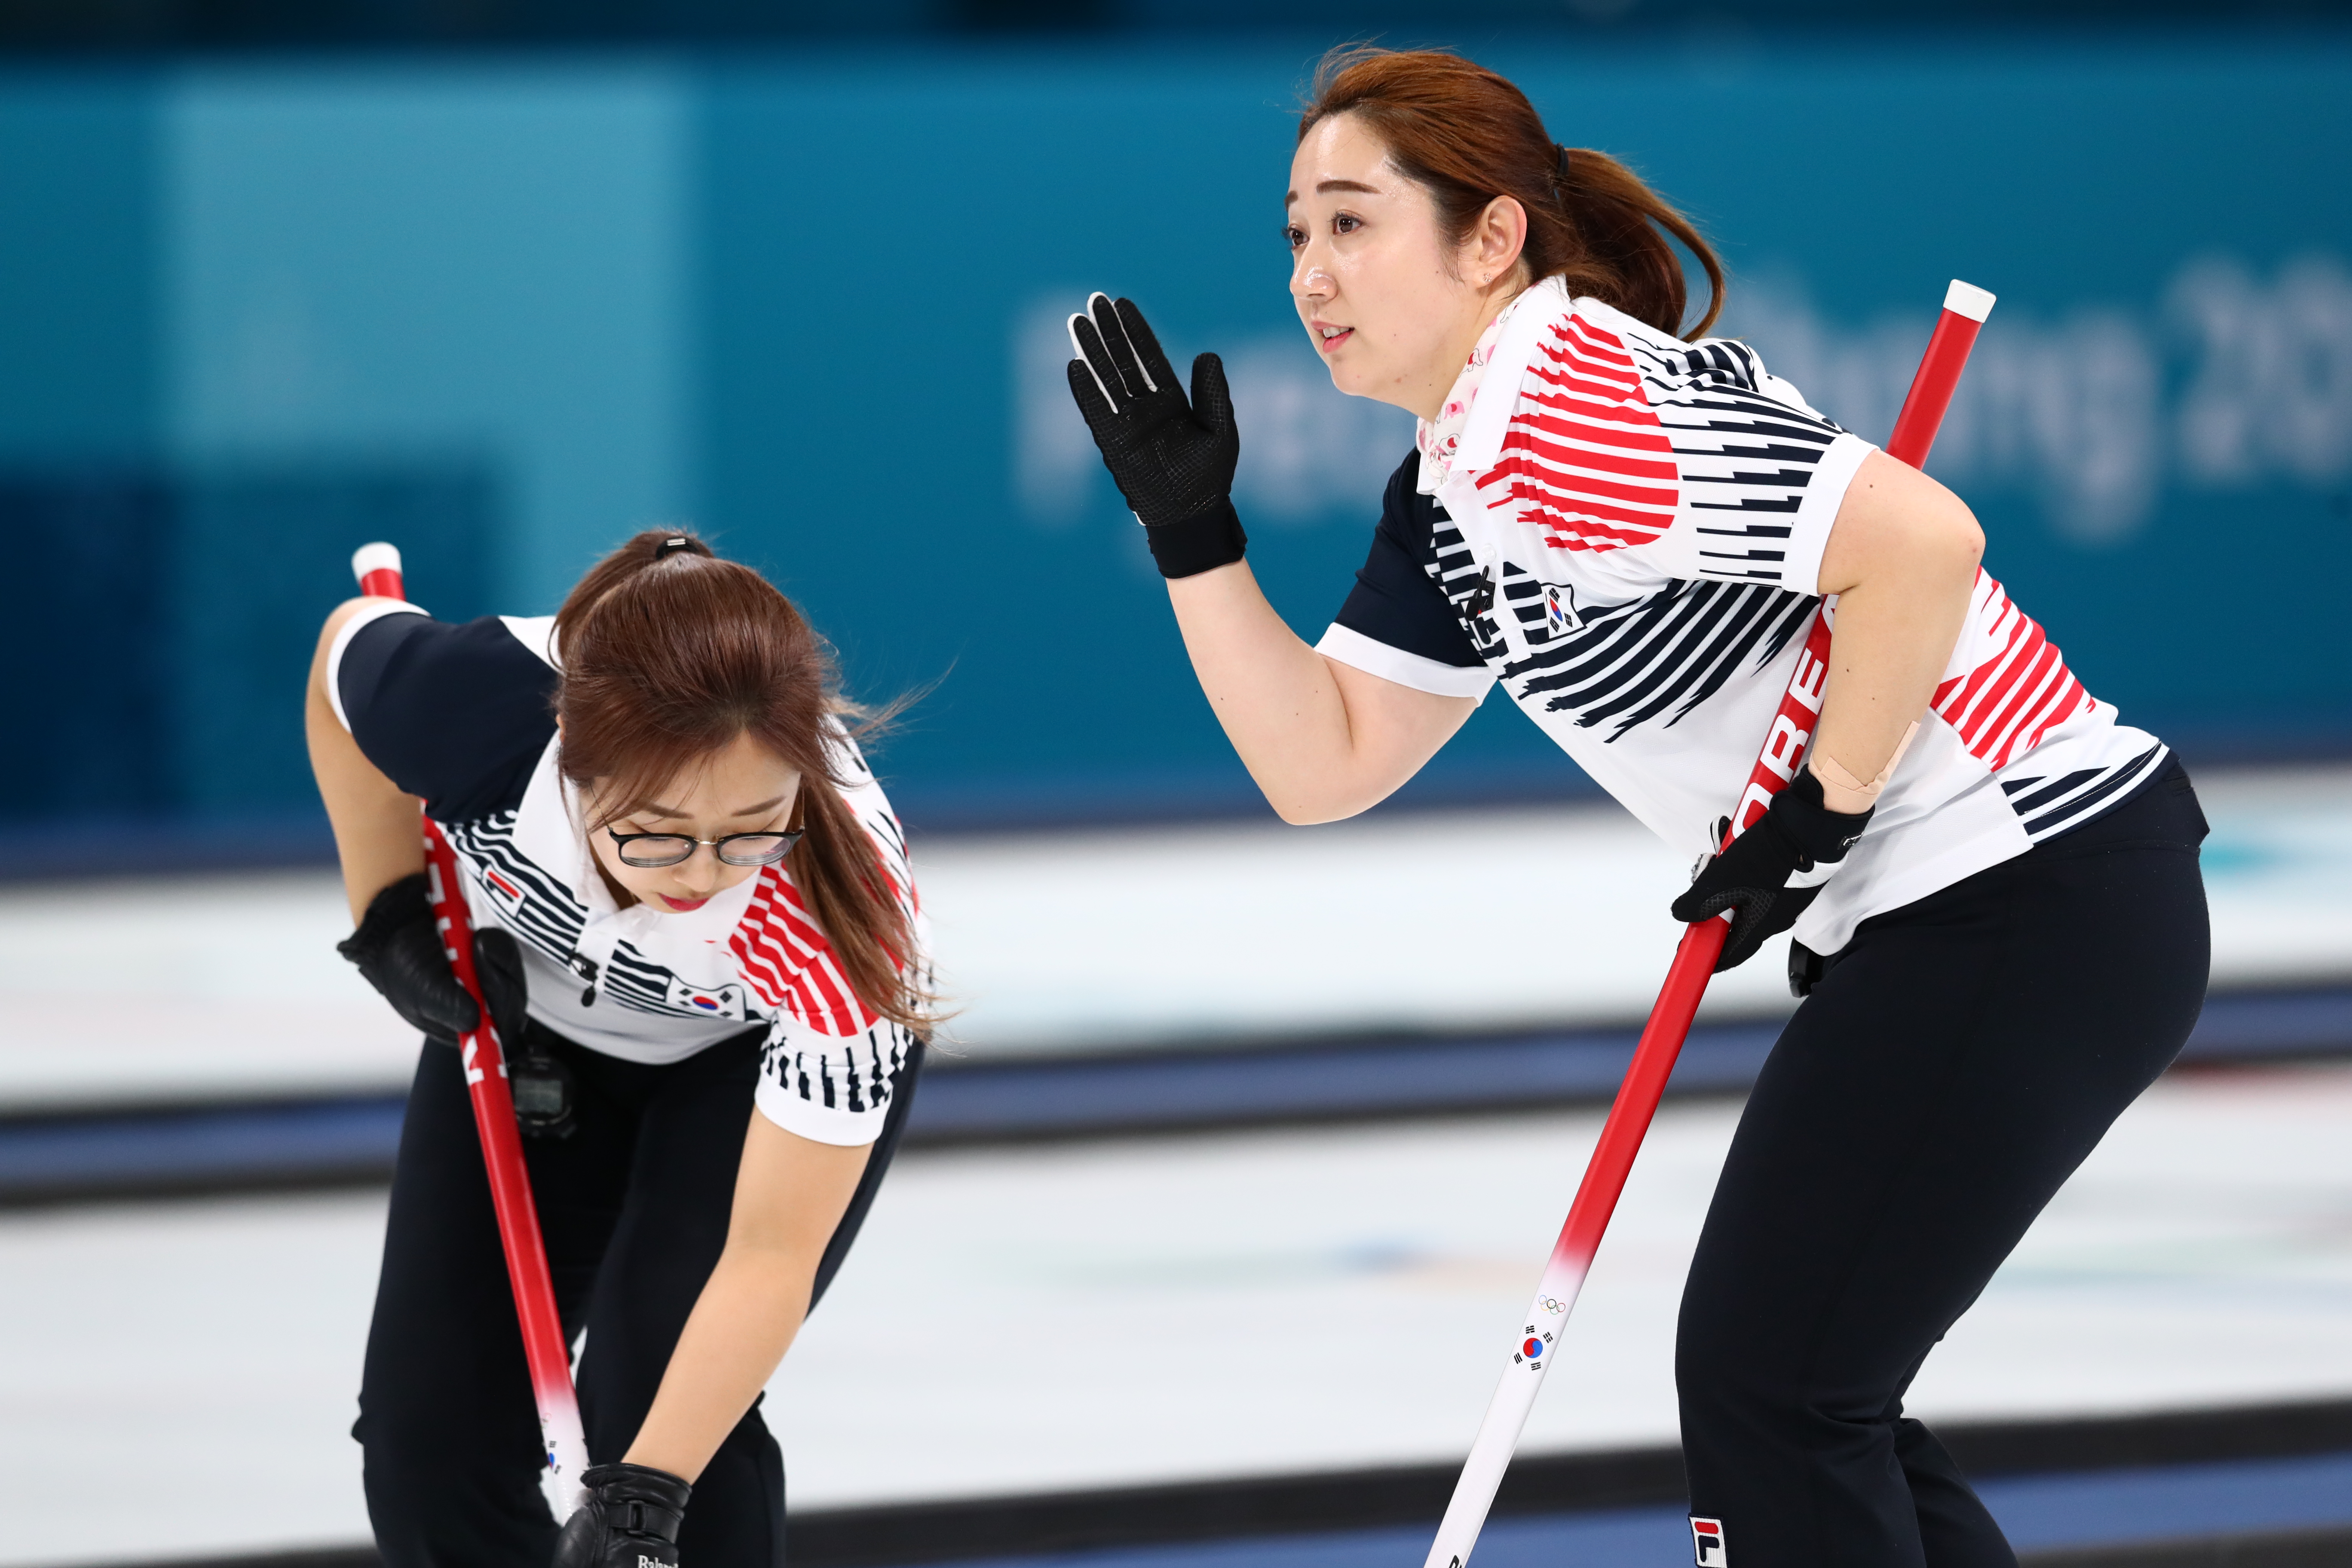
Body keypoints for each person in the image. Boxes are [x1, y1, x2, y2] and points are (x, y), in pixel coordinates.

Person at [1063, 47, 2208, 1568]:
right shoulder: (1460, 468)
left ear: (1490, 240)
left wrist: (1824, 807)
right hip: (2005, 901)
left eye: (1351, 223)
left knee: (1777, 1392)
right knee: (1807, 1393)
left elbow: (1922, 542)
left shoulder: (1566, 406)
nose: (1311, 274)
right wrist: (1193, 533)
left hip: (2024, 879)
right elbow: (1325, 761)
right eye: (1295, 235)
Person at [305, 529, 930, 1567]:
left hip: (749, 1063)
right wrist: (387, 914)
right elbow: (340, 666)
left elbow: (768, 1256)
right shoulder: (475, 713)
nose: (701, 872)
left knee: (661, 1414)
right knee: (428, 1446)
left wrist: (643, 1501)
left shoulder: (839, 915)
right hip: (528, 1029)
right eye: (653, 831)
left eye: (751, 828)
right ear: (574, 763)